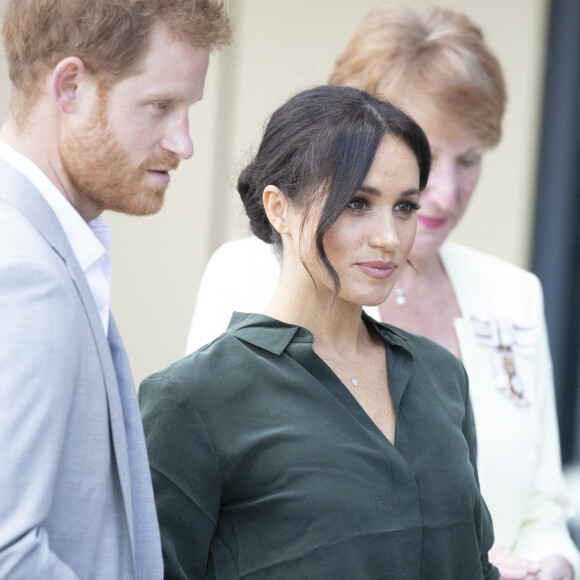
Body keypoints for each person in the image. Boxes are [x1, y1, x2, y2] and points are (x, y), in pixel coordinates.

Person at [184, 5, 579, 580]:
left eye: (469, 160)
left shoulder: (511, 294)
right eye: (425, 156)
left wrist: (556, 563)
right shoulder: (248, 272)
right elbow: (217, 497)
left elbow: (543, 501)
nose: (442, 192)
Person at [140, 85, 499, 579]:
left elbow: (477, 565)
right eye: (357, 203)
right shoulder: (191, 400)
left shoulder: (441, 376)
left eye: (404, 207)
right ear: (278, 208)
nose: (389, 239)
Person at [0, 0, 230, 577]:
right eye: (161, 106)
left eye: (189, 108)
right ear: (71, 87)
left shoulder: (45, 248)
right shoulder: (27, 275)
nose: (184, 143)